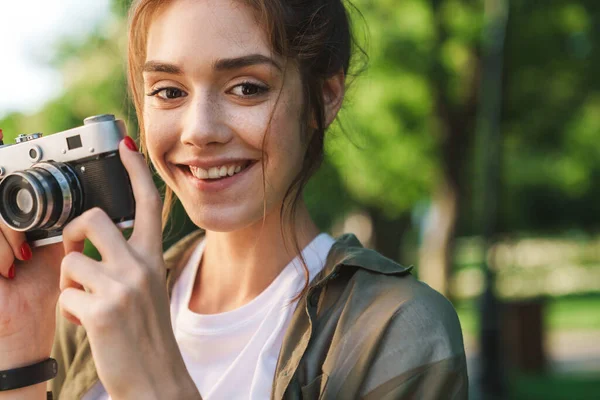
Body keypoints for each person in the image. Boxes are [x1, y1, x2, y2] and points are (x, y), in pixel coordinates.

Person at [0, 0, 468, 399]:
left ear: (324, 97)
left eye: (247, 87)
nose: (200, 130)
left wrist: (158, 386)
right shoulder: (89, 311)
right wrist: (19, 341)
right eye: (169, 91)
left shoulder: (393, 330)